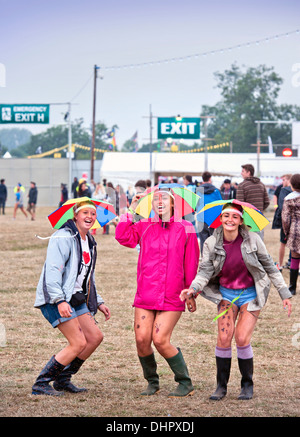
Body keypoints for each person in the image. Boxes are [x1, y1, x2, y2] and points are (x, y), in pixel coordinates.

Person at [180, 203, 292, 401]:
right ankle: (221, 387)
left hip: (251, 295)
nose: (229, 220)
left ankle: (247, 385)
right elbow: (204, 271)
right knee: (224, 339)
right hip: (226, 295)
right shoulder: (211, 243)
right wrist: (194, 288)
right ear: (220, 219)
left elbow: (270, 267)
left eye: (234, 216)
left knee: (241, 338)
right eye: (226, 216)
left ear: (241, 221)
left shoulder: (253, 240)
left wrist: (284, 293)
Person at [115, 187, 199, 397]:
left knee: (160, 339)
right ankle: (152, 382)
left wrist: (191, 292)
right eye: (155, 200)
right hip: (147, 292)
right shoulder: (143, 226)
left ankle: (185, 382)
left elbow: (191, 262)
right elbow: (123, 237)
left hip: (173, 294)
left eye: (164, 199)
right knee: (142, 339)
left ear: (173, 204)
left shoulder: (186, 227)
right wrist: (132, 209)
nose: (159, 202)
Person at [32, 199, 111, 396]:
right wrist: (59, 300)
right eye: (85, 213)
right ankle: (41, 384)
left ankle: (62, 379)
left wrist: (98, 300)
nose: (90, 217)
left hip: (75, 298)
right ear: (75, 215)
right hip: (55, 298)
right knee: (78, 343)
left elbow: (86, 277)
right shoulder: (63, 237)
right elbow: (53, 272)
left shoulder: (89, 241)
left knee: (94, 337)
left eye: (93, 214)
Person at [236, 164, 270, 240]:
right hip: (259, 218)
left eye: (243, 171)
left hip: (247, 219)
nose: (241, 173)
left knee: (247, 243)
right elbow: (267, 202)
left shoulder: (242, 186)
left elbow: (239, 204)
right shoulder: (261, 185)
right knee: (259, 243)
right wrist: (258, 210)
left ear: (248, 172)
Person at [282, 173, 300, 295]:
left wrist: (286, 232)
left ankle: (292, 287)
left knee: (294, 259)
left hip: (295, 230)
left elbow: (285, 218)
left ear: (292, 185)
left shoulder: (289, 198)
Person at [196, 171, 222, 254]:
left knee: (203, 241)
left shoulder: (198, 191)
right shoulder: (216, 191)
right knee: (214, 240)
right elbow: (221, 205)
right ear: (210, 179)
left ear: (202, 179)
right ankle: (213, 259)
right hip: (214, 219)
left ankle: (205, 259)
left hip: (201, 218)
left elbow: (195, 205)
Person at [272, 174, 292, 271]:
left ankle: (279, 265)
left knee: (283, 244)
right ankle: (295, 265)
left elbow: (282, 207)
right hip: (296, 223)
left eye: (284, 180)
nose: (282, 182)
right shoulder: (296, 190)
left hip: (286, 222)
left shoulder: (284, 190)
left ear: (288, 180)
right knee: (295, 245)